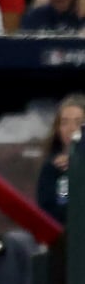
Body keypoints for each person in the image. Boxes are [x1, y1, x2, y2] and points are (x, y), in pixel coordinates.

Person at [36, 94, 85, 223]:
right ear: (57, 129)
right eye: (64, 123)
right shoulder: (53, 169)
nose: (71, 129)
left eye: (79, 123)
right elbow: (50, 213)